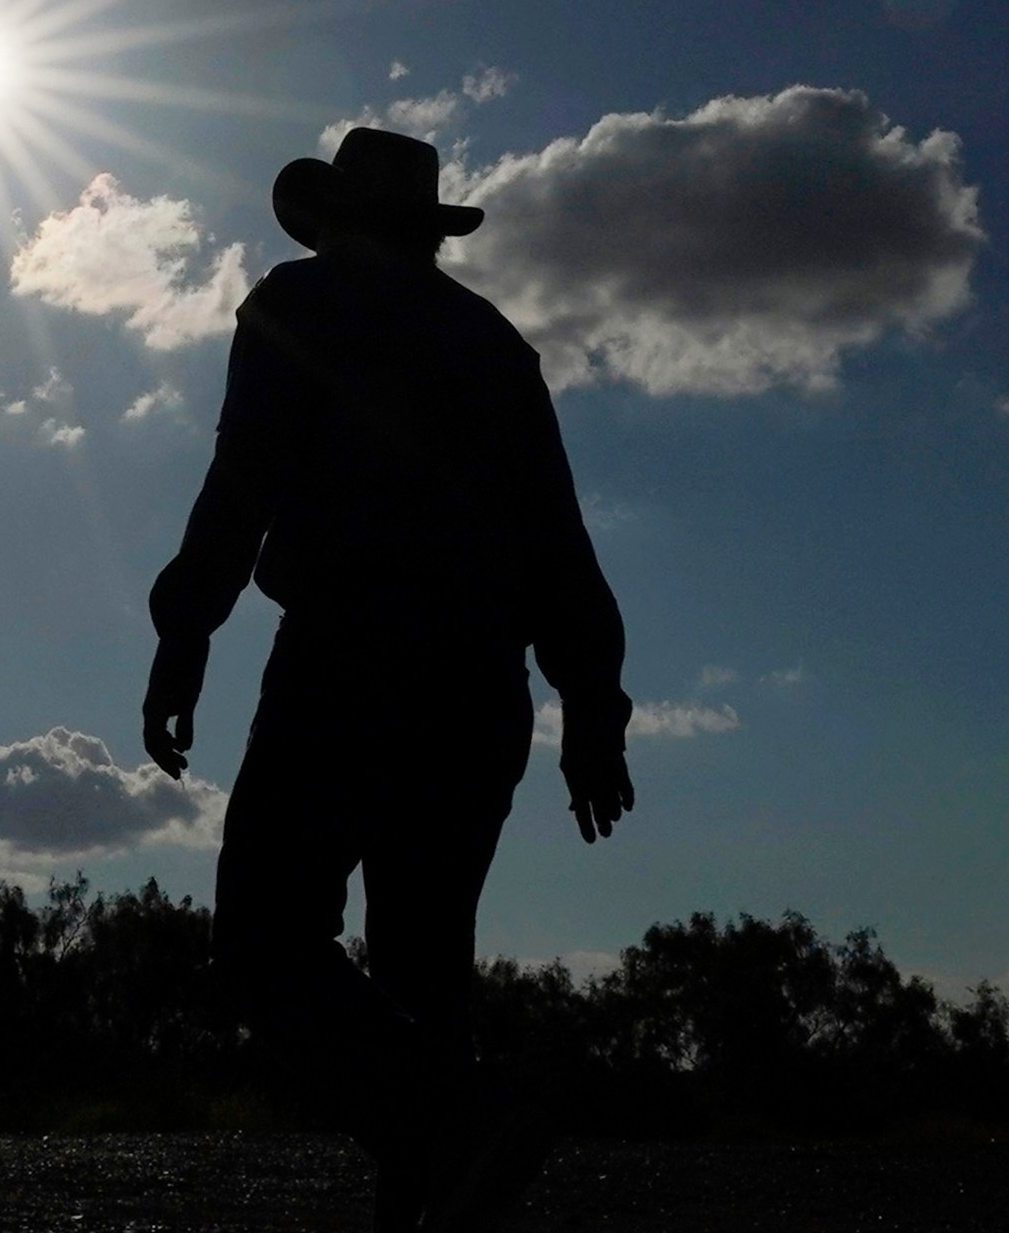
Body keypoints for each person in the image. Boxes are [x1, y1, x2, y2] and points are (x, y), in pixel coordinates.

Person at [140, 127, 635, 1230]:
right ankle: (442, 1167)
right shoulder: (492, 343)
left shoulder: (302, 304)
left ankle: (455, 1122)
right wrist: (591, 707)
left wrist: (187, 630)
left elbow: (243, 479)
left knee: (267, 943)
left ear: (334, 220)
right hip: (477, 686)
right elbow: (559, 542)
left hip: (349, 661)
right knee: (423, 975)